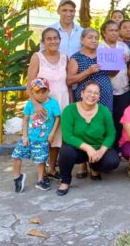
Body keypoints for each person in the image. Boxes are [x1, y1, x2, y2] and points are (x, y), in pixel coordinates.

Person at [56, 81, 120, 196]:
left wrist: (102, 150)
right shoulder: (69, 110)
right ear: (82, 93)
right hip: (78, 149)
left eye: (96, 93)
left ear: (99, 96)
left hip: (98, 148)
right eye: (89, 92)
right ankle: (65, 181)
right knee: (66, 152)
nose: (92, 95)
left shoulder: (104, 111)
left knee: (112, 161)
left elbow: (111, 134)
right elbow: (67, 136)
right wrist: (88, 148)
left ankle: (94, 167)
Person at [26, 28, 70, 180]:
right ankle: (41, 170)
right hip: (43, 105)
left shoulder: (65, 57)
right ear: (43, 42)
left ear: (60, 40)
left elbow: (68, 83)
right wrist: (36, 104)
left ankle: (51, 168)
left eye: (55, 38)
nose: (53, 41)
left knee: (57, 137)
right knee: (42, 136)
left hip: (62, 102)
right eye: (49, 39)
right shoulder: (37, 57)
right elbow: (29, 83)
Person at [12, 78, 61, 192]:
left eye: (43, 91)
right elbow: (25, 120)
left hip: (42, 139)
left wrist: (52, 133)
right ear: (32, 93)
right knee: (16, 156)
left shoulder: (53, 103)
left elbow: (58, 118)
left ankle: (40, 180)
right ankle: (17, 177)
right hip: (28, 137)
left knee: (41, 160)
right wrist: (24, 136)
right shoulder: (30, 104)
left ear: (48, 91)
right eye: (37, 92)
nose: (40, 95)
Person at [99, 20, 130, 149]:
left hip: (123, 89)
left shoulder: (123, 47)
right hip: (105, 90)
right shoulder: (99, 48)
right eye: (110, 30)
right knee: (106, 120)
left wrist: (129, 63)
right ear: (104, 32)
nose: (114, 33)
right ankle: (105, 147)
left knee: (120, 119)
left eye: (116, 30)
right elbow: (108, 72)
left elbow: (129, 68)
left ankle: (117, 148)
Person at [67, 28, 113, 112]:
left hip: (105, 96)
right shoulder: (76, 57)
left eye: (96, 38)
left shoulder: (104, 54)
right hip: (87, 98)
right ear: (82, 39)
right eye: (90, 37)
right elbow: (69, 81)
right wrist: (88, 72)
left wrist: (119, 63)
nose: (94, 40)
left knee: (104, 121)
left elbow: (113, 74)